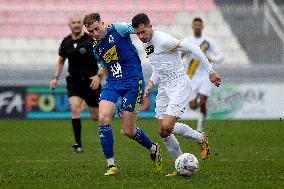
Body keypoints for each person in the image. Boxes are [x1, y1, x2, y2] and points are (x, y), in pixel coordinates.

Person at [132, 13, 221, 176]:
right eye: (137, 34)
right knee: (163, 132)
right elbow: (159, 66)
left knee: (168, 126)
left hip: (179, 84)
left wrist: (210, 71)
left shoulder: (165, 40)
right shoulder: (146, 45)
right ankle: (180, 166)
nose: (140, 36)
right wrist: (151, 82)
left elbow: (194, 48)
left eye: (143, 32)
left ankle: (200, 137)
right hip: (164, 87)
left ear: (150, 27)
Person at [83, 13, 162, 176]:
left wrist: (156, 46)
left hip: (133, 82)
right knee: (103, 118)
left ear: (102, 23)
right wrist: (98, 76)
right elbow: (105, 66)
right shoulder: (96, 47)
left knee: (128, 131)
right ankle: (111, 166)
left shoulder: (118, 29)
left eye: (97, 28)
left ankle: (153, 148)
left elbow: (139, 30)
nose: (95, 33)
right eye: (91, 31)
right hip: (113, 83)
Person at [49, 14, 101, 153]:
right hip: (74, 82)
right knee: (75, 108)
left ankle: (111, 112)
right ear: (69, 24)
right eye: (74, 22)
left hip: (91, 82)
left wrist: (98, 76)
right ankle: (78, 144)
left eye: (79, 22)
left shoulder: (91, 40)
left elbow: (103, 59)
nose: (76, 24)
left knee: (96, 117)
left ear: (82, 25)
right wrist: (55, 77)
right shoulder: (65, 42)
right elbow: (61, 61)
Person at [183, 17, 224, 132]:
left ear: (202, 26)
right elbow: (180, 55)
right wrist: (182, 56)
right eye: (195, 25)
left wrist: (213, 59)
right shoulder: (187, 40)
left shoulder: (208, 41)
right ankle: (202, 112)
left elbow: (221, 56)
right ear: (192, 26)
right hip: (191, 76)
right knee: (192, 106)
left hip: (206, 76)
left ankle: (200, 125)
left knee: (202, 101)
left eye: (199, 25)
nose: (197, 27)